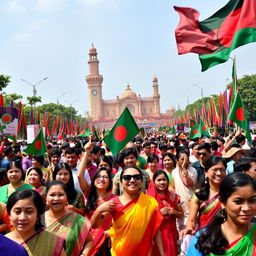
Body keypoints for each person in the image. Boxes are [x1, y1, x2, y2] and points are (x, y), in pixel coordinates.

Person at [91, 166, 165, 256]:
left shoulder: (150, 202)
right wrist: (98, 210)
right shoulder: (114, 203)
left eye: (136, 177)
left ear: (141, 181)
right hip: (120, 253)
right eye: (127, 177)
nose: (132, 180)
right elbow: (95, 225)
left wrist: (162, 253)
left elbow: (156, 230)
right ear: (121, 182)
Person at [187, 172, 256, 255]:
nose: (247, 208)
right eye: (238, 201)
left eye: (252, 200)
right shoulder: (205, 237)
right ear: (222, 202)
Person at [5, 189, 65, 255]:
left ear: (38, 214)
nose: (22, 218)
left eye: (29, 211)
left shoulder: (52, 242)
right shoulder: (3, 242)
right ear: (9, 214)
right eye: (17, 212)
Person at [181, 156, 227, 238]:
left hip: (227, 236)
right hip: (205, 238)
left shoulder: (231, 193)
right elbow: (191, 219)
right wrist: (189, 228)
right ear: (206, 172)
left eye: (222, 169)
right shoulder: (199, 195)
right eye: (215, 170)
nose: (219, 173)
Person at [44, 181, 93, 256]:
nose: (56, 198)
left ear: (67, 199)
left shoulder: (77, 220)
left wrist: (84, 255)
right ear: (46, 199)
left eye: (61, 195)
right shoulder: (37, 219)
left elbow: (89, 241)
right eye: (52, 195)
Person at [147, 170, 183, 256]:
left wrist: (174, 212)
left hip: (171, 232)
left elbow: (181, 214)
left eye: (164, 180)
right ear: (154, 182)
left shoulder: (174, 196)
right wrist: (160, 214)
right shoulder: (149, 199)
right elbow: (146, 218)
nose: (162, 182)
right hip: (156, 234)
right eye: (159, 180)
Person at [85, 167, 117, 256]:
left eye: (105, 177)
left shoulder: (114, 199)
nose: (101, 179)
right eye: (98, 176)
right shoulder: (89, 196)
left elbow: (101, 221)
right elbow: (80, 176)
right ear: (94, 179)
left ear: (110, 181)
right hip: (87, 239)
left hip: (105, 241)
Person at [172, 150, 198, 230]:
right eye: (182, 159)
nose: (185, 161)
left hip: (191, 204)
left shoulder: (193, 170)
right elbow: (174, 187)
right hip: (180, 206)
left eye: (186, 158)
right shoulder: (174, 171)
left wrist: (183, 168)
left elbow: (188, 183)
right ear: (177, 160)